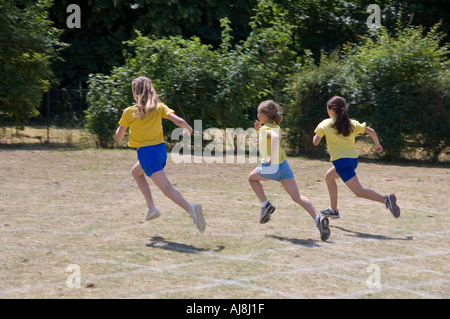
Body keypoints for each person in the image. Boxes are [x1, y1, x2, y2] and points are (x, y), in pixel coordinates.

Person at [116, 76, 205, 232]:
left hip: (147, 154)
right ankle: (151, 208)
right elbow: (177, 120)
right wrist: (188, 128)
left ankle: (192, 210)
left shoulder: (129, 112)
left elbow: (118, 135)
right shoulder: (159, 107)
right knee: (136, 172)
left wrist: (123, 128)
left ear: (134, 94)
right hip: (160, 152)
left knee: (167, 189)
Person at [248, 100, 330, 241]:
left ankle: (265, 205)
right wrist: (259, 129)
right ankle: (318, 219)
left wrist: (271, 158)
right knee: (297, 196)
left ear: (262, 115)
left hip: (271, 167)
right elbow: (272, 135)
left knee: (251, 179)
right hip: (283, 166)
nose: (257, 114)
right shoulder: (275, 126)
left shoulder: (265, 129)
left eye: (258, 112)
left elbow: (273, 138)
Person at [313, 96, 400, 219]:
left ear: (332, 110)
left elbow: (315, 142)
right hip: (353, 160)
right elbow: (371, 131)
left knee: (359, 191)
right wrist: (377, 144)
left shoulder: (325, 124)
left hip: (341, 163)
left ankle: (386, 200)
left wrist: (318, 133)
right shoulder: (351, 123)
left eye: (328, 109)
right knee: (329, 177)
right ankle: (333, 210)